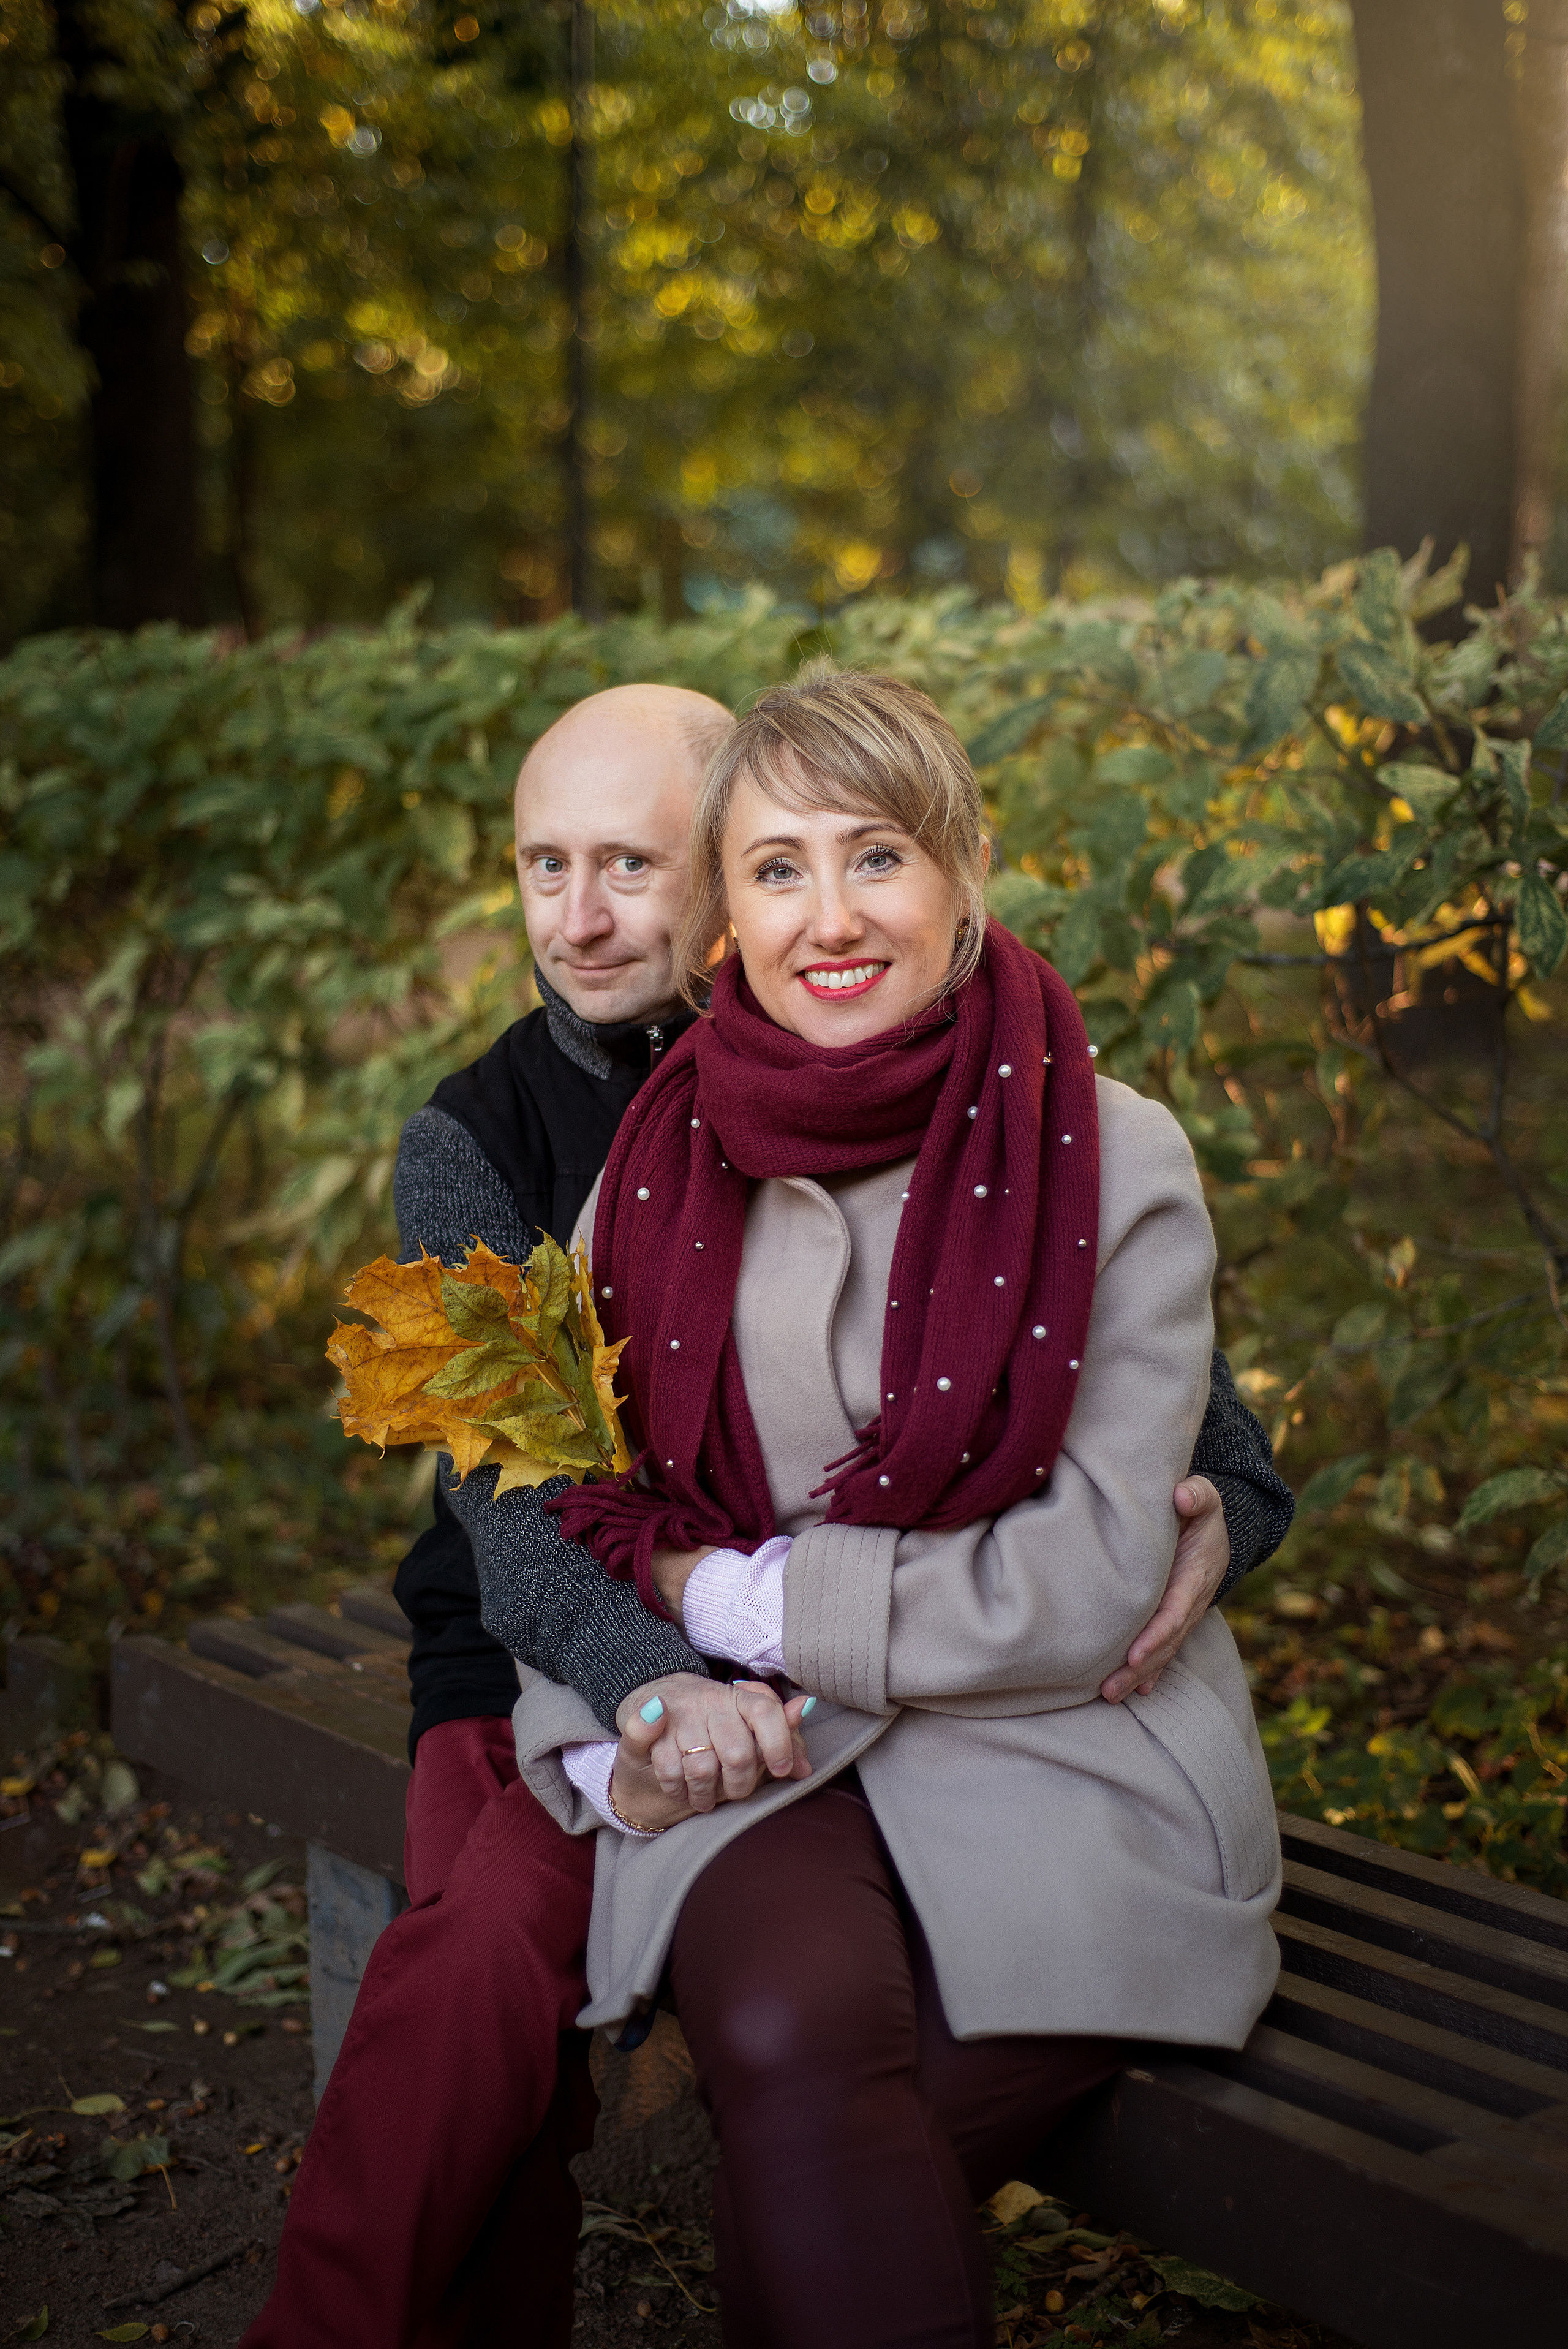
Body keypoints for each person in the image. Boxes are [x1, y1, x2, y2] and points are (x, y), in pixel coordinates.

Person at [243, 681, 1292, 2348]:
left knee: (805, 2121)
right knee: (513, 1984)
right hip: (631, 1686)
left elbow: (1151, 1443)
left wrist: (1230, 1498)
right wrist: (649, 1685)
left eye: (632, 866)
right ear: (742, 901)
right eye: (542, 864)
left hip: (975, 1727)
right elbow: (538, 1514)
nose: (583, 917)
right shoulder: (571, 1150)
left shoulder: (1072, 1127)